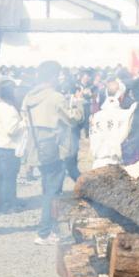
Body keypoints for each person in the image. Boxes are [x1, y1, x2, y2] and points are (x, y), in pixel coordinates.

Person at [22, 61, 84, 246]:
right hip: (53, 146)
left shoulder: (29, 97)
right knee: (52, 190)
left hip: (36, 146)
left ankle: (49, 228)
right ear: (52, 77)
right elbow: (72, 120)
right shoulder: (56, 97)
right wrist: (79, 104)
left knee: (47, 188)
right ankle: (44, 232)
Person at [0, 82, 23, 213]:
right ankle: (7, 205)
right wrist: (24, 122)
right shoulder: (7, 108)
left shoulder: (0, 106)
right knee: (8, 178)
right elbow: (12, 129)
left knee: (5, 177)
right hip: (7, 147)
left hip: (2, 146)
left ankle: (9, 201)